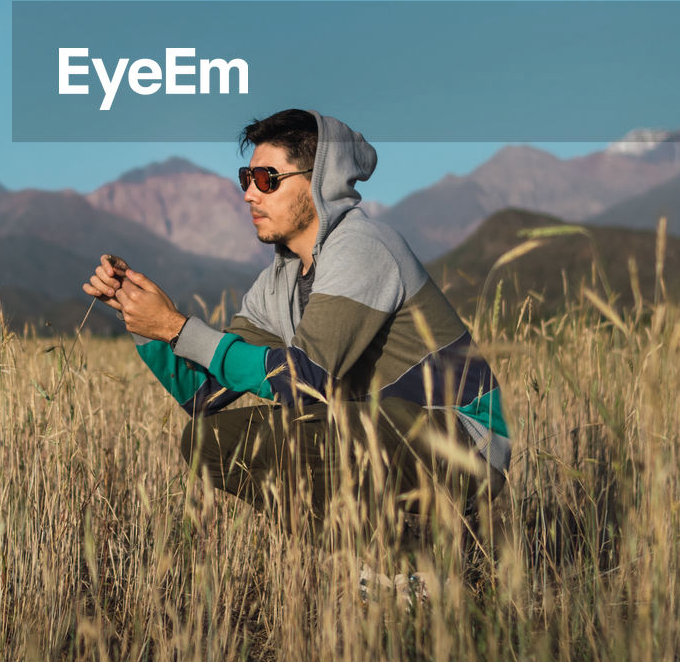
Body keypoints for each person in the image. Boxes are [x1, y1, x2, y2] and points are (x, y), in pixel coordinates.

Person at [83, 108, 509, 531]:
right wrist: (142, 319)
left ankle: (410, 556)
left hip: (465, 442)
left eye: (267, 180)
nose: (250, 194)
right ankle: (391, 557)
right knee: (207, 442)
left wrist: (176, 326)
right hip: (378, 429)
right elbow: (203, 392)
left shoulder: (363, 248)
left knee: (310, 435)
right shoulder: (278, 283)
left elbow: (307, 379)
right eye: (245, 180)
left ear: (318, 179)